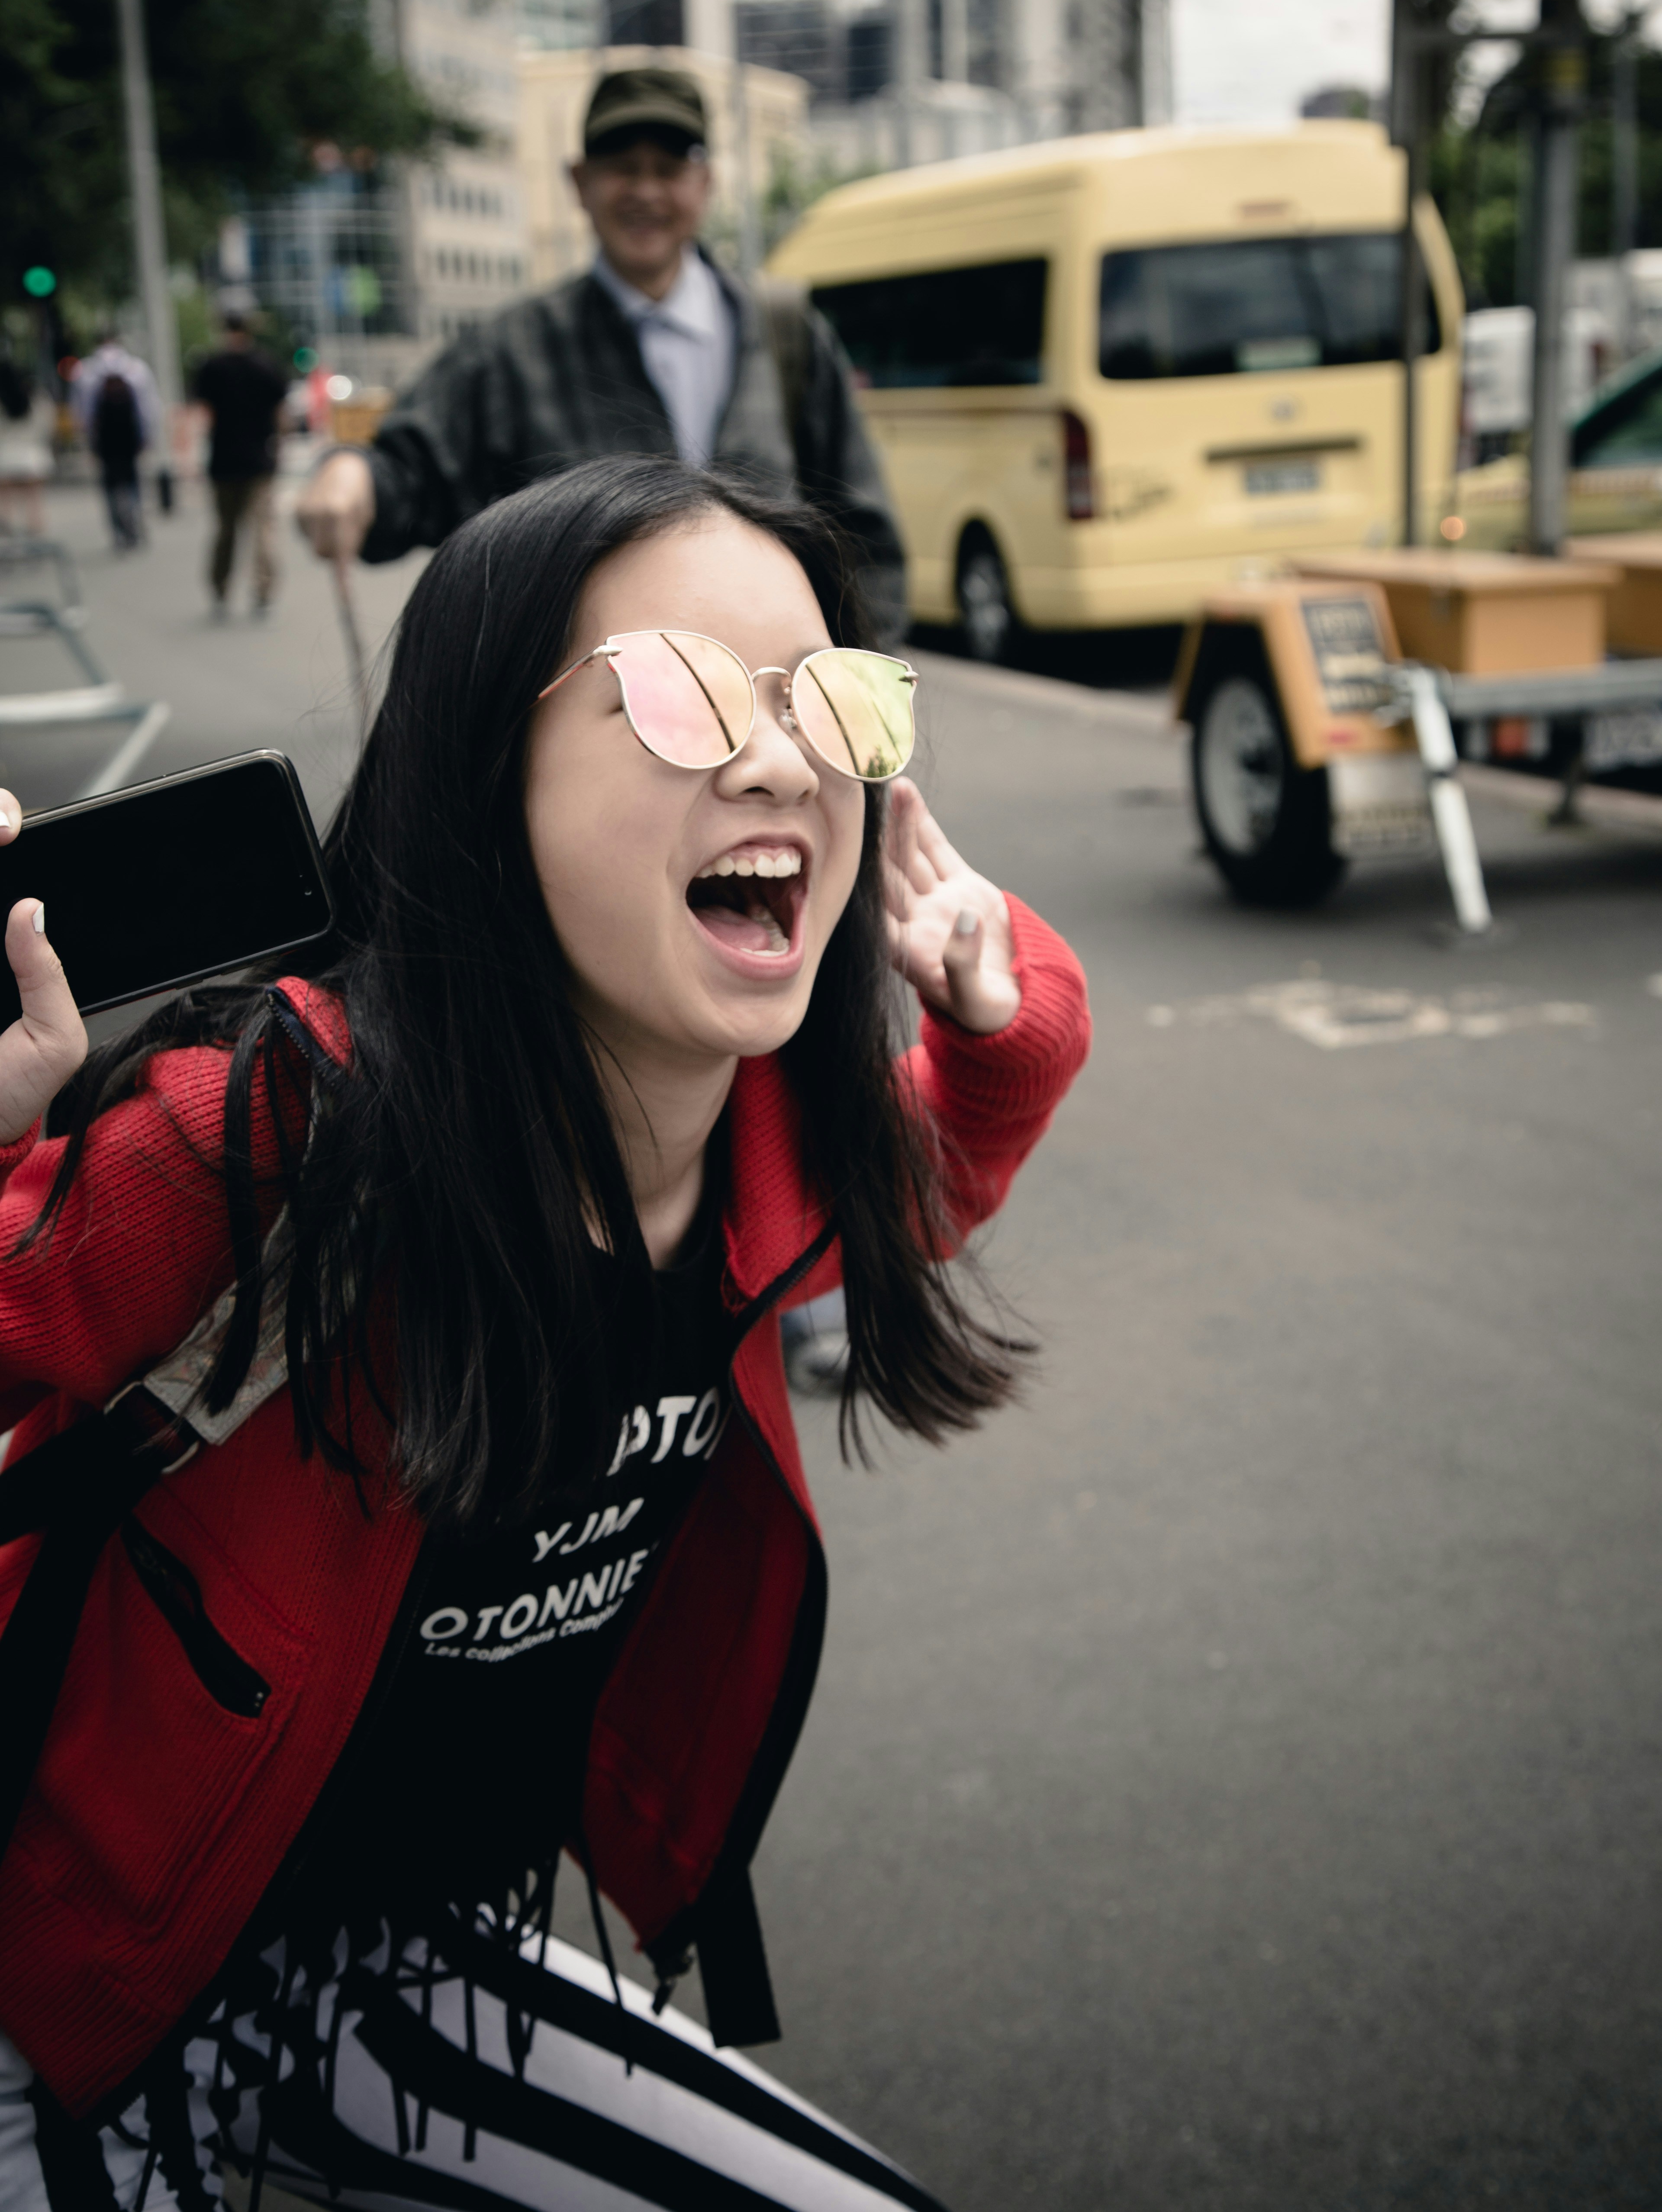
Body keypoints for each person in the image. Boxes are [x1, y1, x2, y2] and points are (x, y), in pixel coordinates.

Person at [0, 456, 1089, 2208]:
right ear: (480, 770)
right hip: (49, 1999)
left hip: (383, 1970)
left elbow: (920, 1191)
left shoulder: (758, 1154)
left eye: (833, 700)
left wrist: (999, 1024)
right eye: (682, 693)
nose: (782, 755)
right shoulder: (266, 1139)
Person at [294, 66, 908, 645]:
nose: (646, 191)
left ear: (705, 184)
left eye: (668, 168)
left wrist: (857, 696)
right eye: (622, 167)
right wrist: (354, 476)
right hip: (595, 726)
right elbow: (412, 472)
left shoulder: (786, 334)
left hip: (774, 717)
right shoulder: (511, 351)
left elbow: (864, 537)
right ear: (579, 182)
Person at [191, 312, 290, 619]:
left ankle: (220, 592)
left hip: (223, 462)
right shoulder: (265, 365)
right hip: (260, 461)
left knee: (226, 530)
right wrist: (279, 450)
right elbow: (281, 415)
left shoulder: (211, 367)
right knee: (263, 530)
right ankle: (263, 594)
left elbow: (202, 416)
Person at [71, 332, 161, 552]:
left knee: (110, 484)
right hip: (129, 436)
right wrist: (148, 435)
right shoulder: (136, 368)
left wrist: (88, 439)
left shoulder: (86, 370)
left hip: (105, 438)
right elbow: (148, 408)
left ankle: (119, 530)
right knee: (132, 479)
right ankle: (135, 520)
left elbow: (82, 413)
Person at [0, 346, 52, 538]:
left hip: (4, 457)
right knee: (34, 502)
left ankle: (8, 532)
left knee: (5, 503)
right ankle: (35, 536)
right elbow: (46, 425)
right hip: (33, 456)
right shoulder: (35, 397)